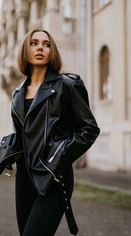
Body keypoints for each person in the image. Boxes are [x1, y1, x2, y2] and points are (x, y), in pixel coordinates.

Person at [11, 29, 100, 236]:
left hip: (54, 176)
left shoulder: (68, 85)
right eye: (34, 43)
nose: (41, 47)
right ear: (26, 49)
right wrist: (11, 149)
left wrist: (58, 156)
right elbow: (21, 133)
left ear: (52, 51)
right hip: (24, 177)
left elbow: (89, 129)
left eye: (47, 44)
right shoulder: (17, 93)